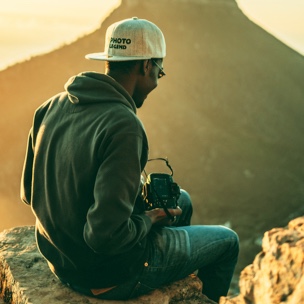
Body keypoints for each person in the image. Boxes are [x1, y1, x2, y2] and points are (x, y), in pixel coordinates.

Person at [20, 17, 239, 303]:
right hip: (105, 275)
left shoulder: (51, 106)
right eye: (159, 72)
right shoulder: (123, 125)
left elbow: (28, 192)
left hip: (60, 260)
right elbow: (105, 237)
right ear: (146, 65)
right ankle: (165, 272)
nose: (156, 82)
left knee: (180, 201)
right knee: (228, 241)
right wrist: (148, 219)